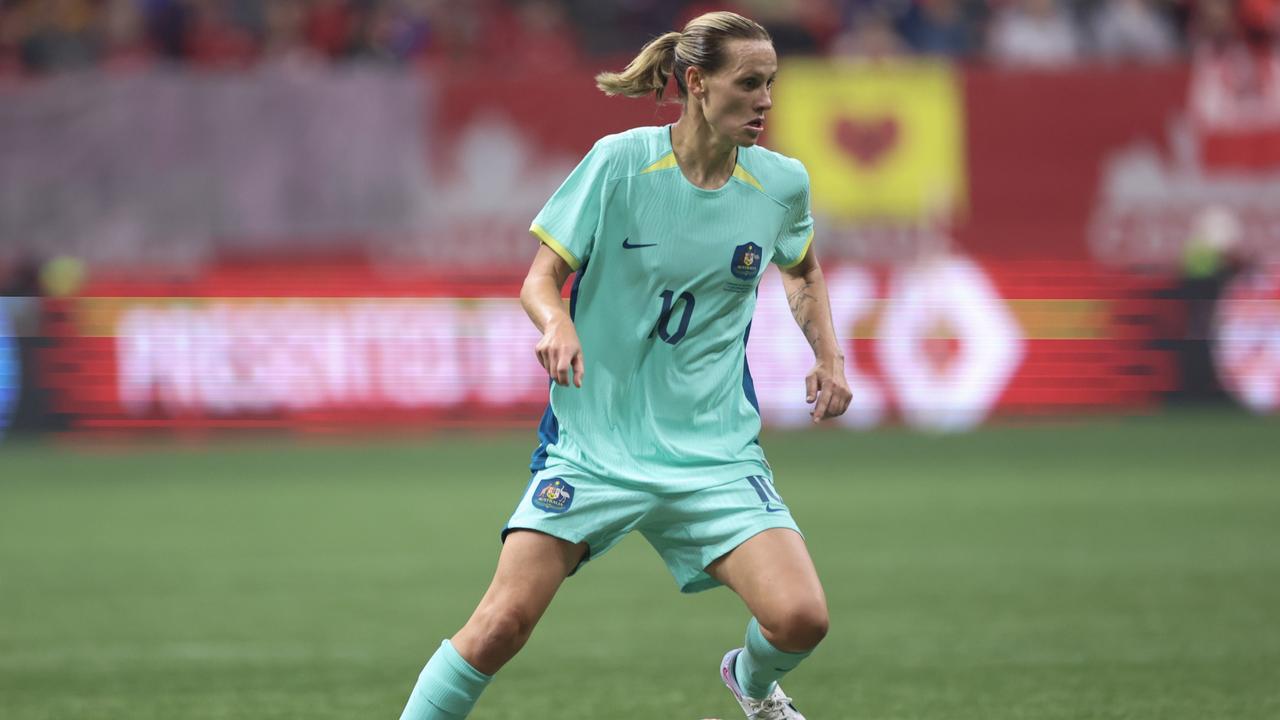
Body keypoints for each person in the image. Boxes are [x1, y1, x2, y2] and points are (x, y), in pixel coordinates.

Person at [397, 11, 851, 720]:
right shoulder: (620, 164)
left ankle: (753, 686)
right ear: (696, 82)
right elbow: (538, 280)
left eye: (772, 84)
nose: (766, 100)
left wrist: (829, 356)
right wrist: (558, 326)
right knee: (499, 627)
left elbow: (804, 271)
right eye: (749, 83)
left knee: (801, 619)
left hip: (714, 455)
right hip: (594, 449)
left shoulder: (780, 185)